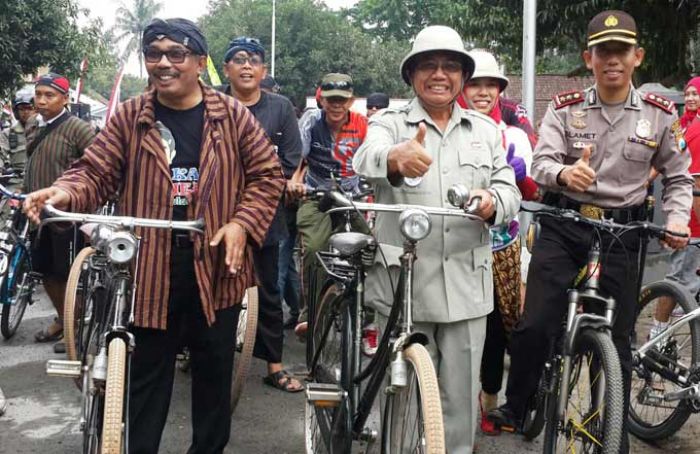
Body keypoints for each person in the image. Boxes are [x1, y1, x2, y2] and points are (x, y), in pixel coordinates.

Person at [23, 18, 285, 454]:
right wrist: (65, 190)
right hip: (149, 266)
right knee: (147, 379)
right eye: (153, 53)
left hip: (216, 268)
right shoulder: (131, 115)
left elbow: (267, 175)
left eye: (175, 53)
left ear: (199, 62)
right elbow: (96, 170)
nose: (163, 62)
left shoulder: (231, 115)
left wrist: (240, 223)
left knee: (213, 379)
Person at [488, 11, 693, 452]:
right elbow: (541, 164)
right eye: (604, 51)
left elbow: (678, 178)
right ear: (589, 58)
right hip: (566, 225)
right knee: (536, 323)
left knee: (617, 341)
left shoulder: (660, 117)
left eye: (622, 51)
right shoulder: (564, 109)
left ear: (637, 57)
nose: (613, 60)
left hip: (624, 232)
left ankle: (611, 430)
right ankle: (517, 404)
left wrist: (676, 218)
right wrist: (563, 175)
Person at [354, 25, 521, 453]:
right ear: (412, 74)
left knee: (461, 403)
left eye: (450, 66)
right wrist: (394, 158)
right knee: (403, 396)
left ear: (462, 77)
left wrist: (492, 201)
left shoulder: (484, 130)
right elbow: (364, 159)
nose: (440, 74)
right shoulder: (389, 122)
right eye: (428, 65)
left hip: (468, 283)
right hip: (404, 285)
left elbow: (509, 187)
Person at [460, 49, 539, 435]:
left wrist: (521, 177)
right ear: (463, 86)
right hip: (457, 244)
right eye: (476, 83)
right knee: (459, 326)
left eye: (491, 84)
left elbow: (534, 190)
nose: (483, 91)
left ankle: (489, 402)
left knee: (497, 328)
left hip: (502, 247)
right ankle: (453, 403)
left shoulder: (514, 135)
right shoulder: (450, 128)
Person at [219, 36, 304, 393]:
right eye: (238, 59)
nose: (247, 65)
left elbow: (290, 159)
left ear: (263, 69)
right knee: (213, 288)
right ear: (227, 69)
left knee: (269, 291)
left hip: (267, 214)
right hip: (218, 214)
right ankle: (207, 355)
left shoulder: (280, 107)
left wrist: (279, 184)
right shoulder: (212, 102)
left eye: (254, 59)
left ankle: (275, 366)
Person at [24, 73, 96, 353]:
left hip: (67, 217)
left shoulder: (79, 129)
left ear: (65, 99)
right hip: (36, 214)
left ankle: (74, 329)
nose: (41, 101)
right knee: (46, 274)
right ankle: (63, 320)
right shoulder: (33, 124)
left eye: (49, 95)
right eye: (38, 94)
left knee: (67, 275)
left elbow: (96, 167)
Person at [294, 73, 368, 336]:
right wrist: (294, 182)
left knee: (374, 250)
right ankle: (310, 312)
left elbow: (374, 160)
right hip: (317, 195)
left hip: (351, 197)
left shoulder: (363, 124)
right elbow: (298, 159)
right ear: (321, 100)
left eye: (341, 100)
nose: (336, 105)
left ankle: (367, 314)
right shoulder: (311, 121)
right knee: (314, 248)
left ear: (351, 101)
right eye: (331, 100)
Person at [649, 77, 700, 338]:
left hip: (690, 212)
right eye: (688, 93)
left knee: (685, 280)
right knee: (679, 279)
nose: (691, 98)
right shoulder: (683, 126)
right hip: (689, 217)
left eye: (695, 94)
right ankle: (657, 335)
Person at [0, 93, 35, 184]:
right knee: (8, 198)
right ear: (16, 112)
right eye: (22, 109)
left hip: (45, 182)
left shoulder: (46, 130)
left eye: (29, 108)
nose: (26, 112)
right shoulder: (8, 134)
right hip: (18, 182)